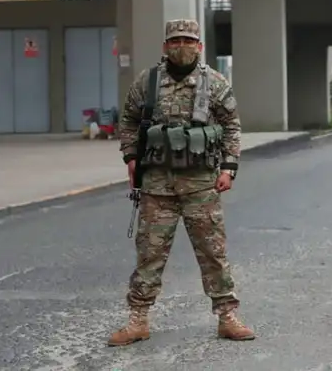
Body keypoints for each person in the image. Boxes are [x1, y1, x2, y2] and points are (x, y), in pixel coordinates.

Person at [108, 19, 255, 346]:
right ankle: (138, 319)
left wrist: (228, 168)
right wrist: (131, 157)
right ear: (165, 46)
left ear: (199, 46)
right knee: (149, 254)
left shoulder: (214, 83)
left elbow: (231, 125)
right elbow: (129, 121)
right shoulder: (147, 82)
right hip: (157, 185)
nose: (181, 46)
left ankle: (227, 317)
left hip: (201, 185)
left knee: (213, 253)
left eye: (188, 41)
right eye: (175, 41)